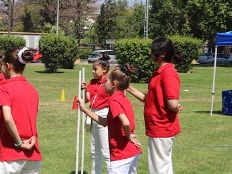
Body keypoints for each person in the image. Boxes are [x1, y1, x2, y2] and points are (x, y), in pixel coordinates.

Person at [126, 37, 182, 174]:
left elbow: (172, 103)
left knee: (159, 168)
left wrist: (176, 106)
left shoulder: (168, 74)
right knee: (162, 166)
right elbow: (149, 99)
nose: (150, 54)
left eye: (153, 51)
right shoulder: (159, 73)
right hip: (157, 126)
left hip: (162, 127)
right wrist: (129, 88)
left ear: (162, 53)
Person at [78, 69, 143, 174]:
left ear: (113, 84)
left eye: (106, 82)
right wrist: (84, 109)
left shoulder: (113, 100)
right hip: (132, 152)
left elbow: (125, 122)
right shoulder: (124, 98)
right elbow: (104, 122)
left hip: (121, 153)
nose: (103, 85)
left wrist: (128, 136)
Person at [0, 47, 41, 174]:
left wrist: (19, 143)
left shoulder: (5, 88)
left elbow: (9, 118)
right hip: (32, 153)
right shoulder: (33, 90)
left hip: (11, 152)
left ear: (8, 66)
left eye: (3, 66)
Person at [81, 56, 111, 174]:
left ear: (104, 69)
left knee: (106, 150)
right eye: (92, 69)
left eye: (95, 69)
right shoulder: (92, 82)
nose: (93, 71)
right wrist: (84, 89)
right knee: (94, 150)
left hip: (105, 114)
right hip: (92, 114)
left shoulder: (109, 83)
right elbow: (88, 99)